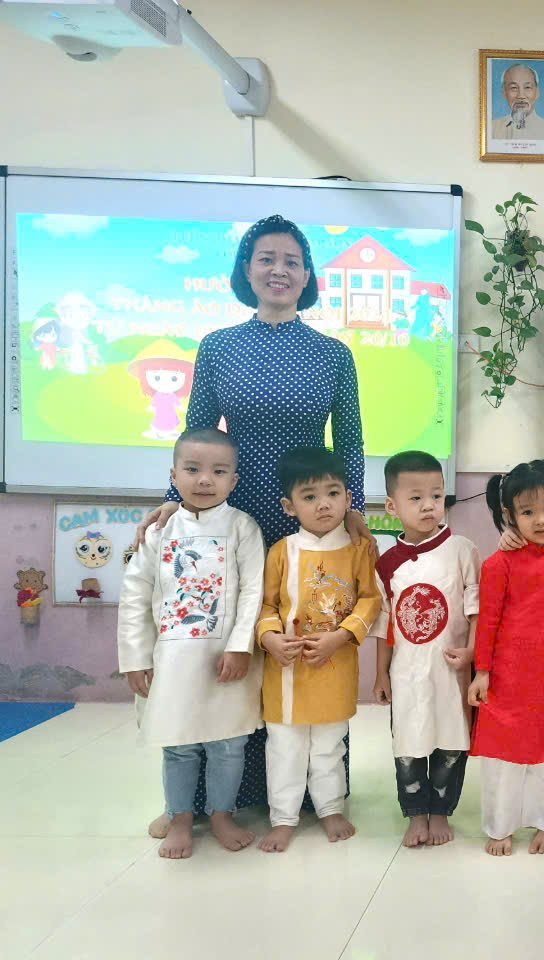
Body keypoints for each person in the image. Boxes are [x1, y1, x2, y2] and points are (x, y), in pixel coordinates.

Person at [132, 214, 373, 836]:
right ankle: (208, 797)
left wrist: (351, 509)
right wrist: (175, 501)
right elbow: (198, 436)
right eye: (266, 258)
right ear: (246, 270)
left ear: (308, 275)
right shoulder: (218, 345)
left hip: (310, 520)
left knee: (303, 639)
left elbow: (350, 440)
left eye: (291, 260)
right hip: (232, 518)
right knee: (226, 645)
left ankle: (313, 792)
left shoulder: (333, 353)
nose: (279, 270)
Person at [117, 428, 264, 859]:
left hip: (225, 662)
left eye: (218, 472)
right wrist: (134, 658)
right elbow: (134, 597)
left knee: (228, 744)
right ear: (174, 476)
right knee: (178, 745)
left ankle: (221, 814)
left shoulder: (242, 527)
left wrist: (240, 646)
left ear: (233, 481)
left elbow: (254, 591)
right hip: (172, 661)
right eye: (193, 469)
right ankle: (180, 817)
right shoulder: (158, 532)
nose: (204, 480)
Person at [255, 446, 381, 853]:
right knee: (284, 747)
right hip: (285, 671)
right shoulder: (281, 550)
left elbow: (370, 600)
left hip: (335, 666)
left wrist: (340, 637)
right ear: (288, 506)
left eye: (333, 493)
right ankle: (283, 818)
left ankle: (330, 808)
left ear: (348, 498)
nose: (323, 504)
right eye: (309, 496)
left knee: (330, 744)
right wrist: (270, 638)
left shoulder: (359, 550)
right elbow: (266, 605)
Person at [469, 459, 544, 857]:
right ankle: (499, 827)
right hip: (507, 675)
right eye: (527, 512)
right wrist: (482, 672)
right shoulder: (497, 563)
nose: (540, 520)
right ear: (509, 514)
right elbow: (487, 621)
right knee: (503, 756)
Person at [370, 451, 480, 849]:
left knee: (451, 741)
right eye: (416, 498)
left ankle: (441, 812)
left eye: (436, 495)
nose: (429, 505)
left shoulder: (462, 550)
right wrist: (381, 674)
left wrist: (472, 653)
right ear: (392, 506)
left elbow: (477, 610)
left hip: (451, 672)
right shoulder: (387, 564)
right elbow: (385, 625)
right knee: (409, 743)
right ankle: (416, 813)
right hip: (407, 673)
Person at [492, 62, 544, 141]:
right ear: (504, 92)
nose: (521, 96)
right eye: (514, 88)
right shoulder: (492, 128)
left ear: (537, 92)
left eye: (527, 87)